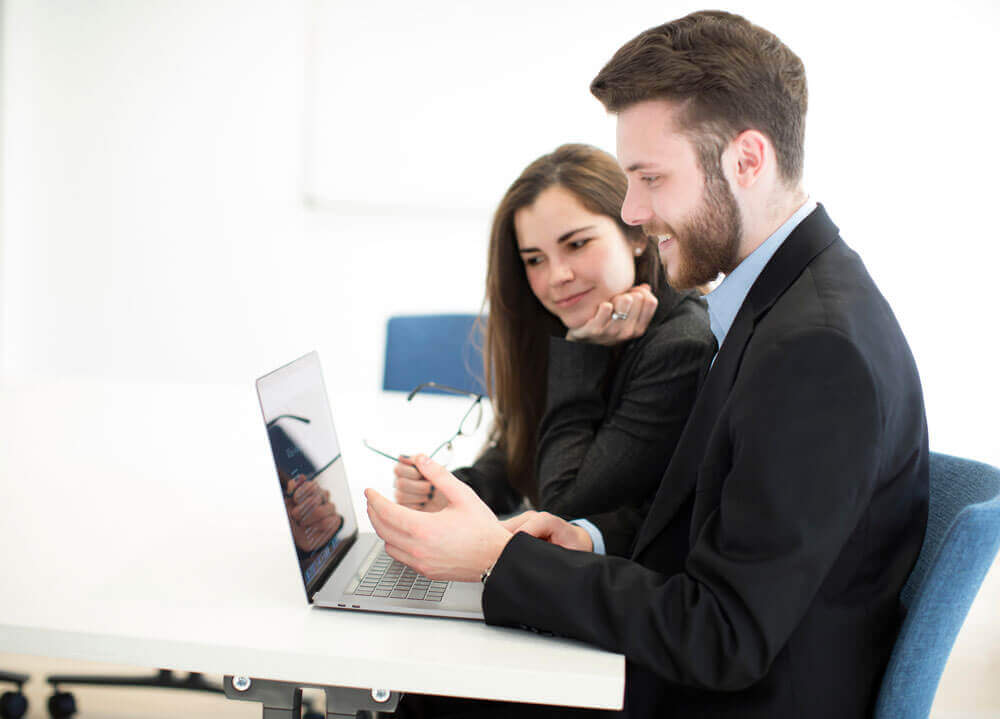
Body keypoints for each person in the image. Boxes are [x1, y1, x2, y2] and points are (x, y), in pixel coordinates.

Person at [366, 10, 928, 718]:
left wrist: (497, 560)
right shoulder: (783, 303)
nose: (632, 210)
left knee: (442, 691)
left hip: (735, 698)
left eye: (650, 178)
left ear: (747, 160)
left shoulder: (817, 349)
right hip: (720, 674)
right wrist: (579, 538)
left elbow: (725, 633)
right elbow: (713, 534)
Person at [392, 144, 715, 519]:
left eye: (577, 244)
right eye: (535, 259)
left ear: (637, 236)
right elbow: (525, 452)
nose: (557, 276)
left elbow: (565, 506)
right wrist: (455, 488)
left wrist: (581, 353)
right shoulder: (573, 322)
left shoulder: (680, 346)